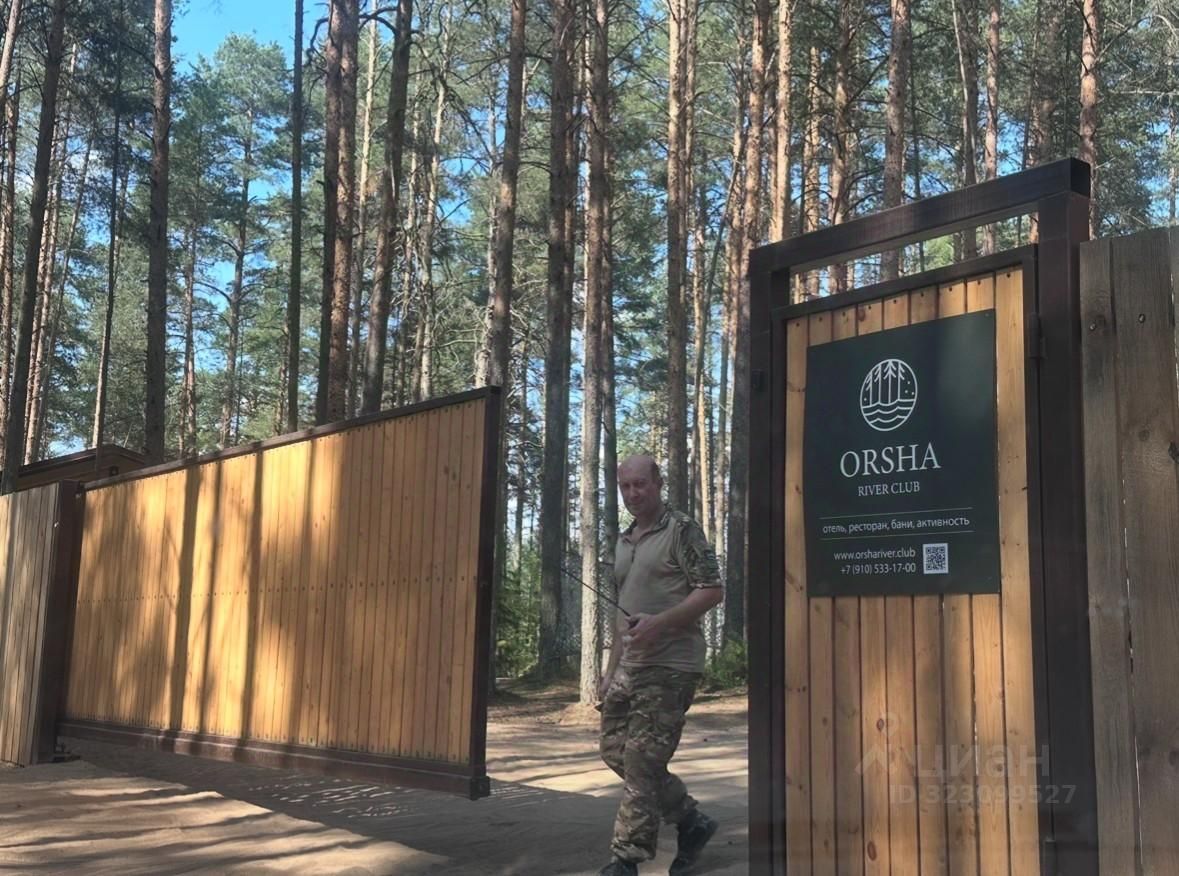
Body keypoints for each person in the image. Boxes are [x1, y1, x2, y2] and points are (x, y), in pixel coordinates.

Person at [596, 454, 725, 876]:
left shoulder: (681, 529)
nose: (633, 493)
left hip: (672, 665)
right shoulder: (624, 540)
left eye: (641, 484)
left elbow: (712, 590)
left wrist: (660, 624)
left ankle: (626, 859)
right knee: (614, 751)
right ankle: (690, 821)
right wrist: (610, 670)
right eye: (625, 486)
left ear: (658, 483)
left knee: (641, 761)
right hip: (629, 665)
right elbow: (623, 613)